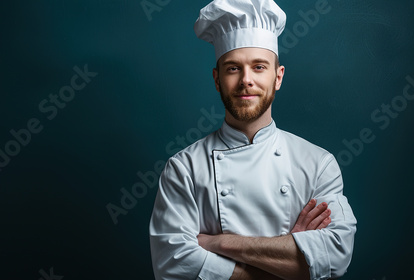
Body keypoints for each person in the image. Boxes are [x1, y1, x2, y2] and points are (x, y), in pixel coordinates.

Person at [149, 0, 357, 279]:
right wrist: (294, 257)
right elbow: (172, 263)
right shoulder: (183, 169)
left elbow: (335, 255)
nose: (246, 80)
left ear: (278, 77)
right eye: (233, 68)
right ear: (217, 79)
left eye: (259, 67)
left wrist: (220, 243)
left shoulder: (318, 163)